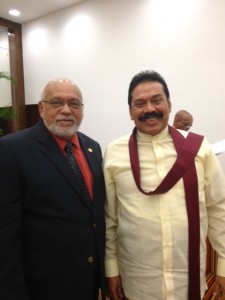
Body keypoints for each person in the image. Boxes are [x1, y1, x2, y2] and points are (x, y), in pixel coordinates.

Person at [103, 70, 225, 300]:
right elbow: (110, 218)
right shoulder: (114, 153)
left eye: (156, 100)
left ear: (169, 103)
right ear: (130, 111)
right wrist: (111, 270)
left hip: (188, 277)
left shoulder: (199, 148)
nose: (149, 109)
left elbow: (219, 208)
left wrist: (223, 267)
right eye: (139, 103)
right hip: (138, 281)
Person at [0, 78, 106, 300]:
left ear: (82, 109)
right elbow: (6, 233)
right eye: (56, 102)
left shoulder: (92, 148)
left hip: (87, 283)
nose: (66, 110)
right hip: (41, 287)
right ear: (41, 108)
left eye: (74, 104)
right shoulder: (12, 150)